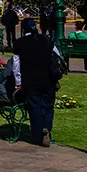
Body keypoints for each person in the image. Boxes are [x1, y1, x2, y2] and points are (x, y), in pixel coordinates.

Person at [13, 18, 58, 147]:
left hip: (30, 79)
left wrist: (18, 82)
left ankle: (37, 135)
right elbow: (57, 56)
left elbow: (16, 65)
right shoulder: (46, 40)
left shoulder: (20, 43)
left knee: (35, 106)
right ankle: (47, 129)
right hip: (48, 78)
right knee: (48, 106)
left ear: (23, 29)